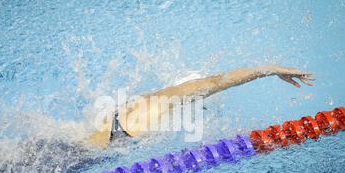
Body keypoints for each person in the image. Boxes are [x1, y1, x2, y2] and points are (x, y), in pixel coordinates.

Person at [89, 65, 315, 147]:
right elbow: (219, 81)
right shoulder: (174, 99)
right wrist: (270, 69)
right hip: (109, 143)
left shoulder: (150, 100)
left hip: (102, 137)